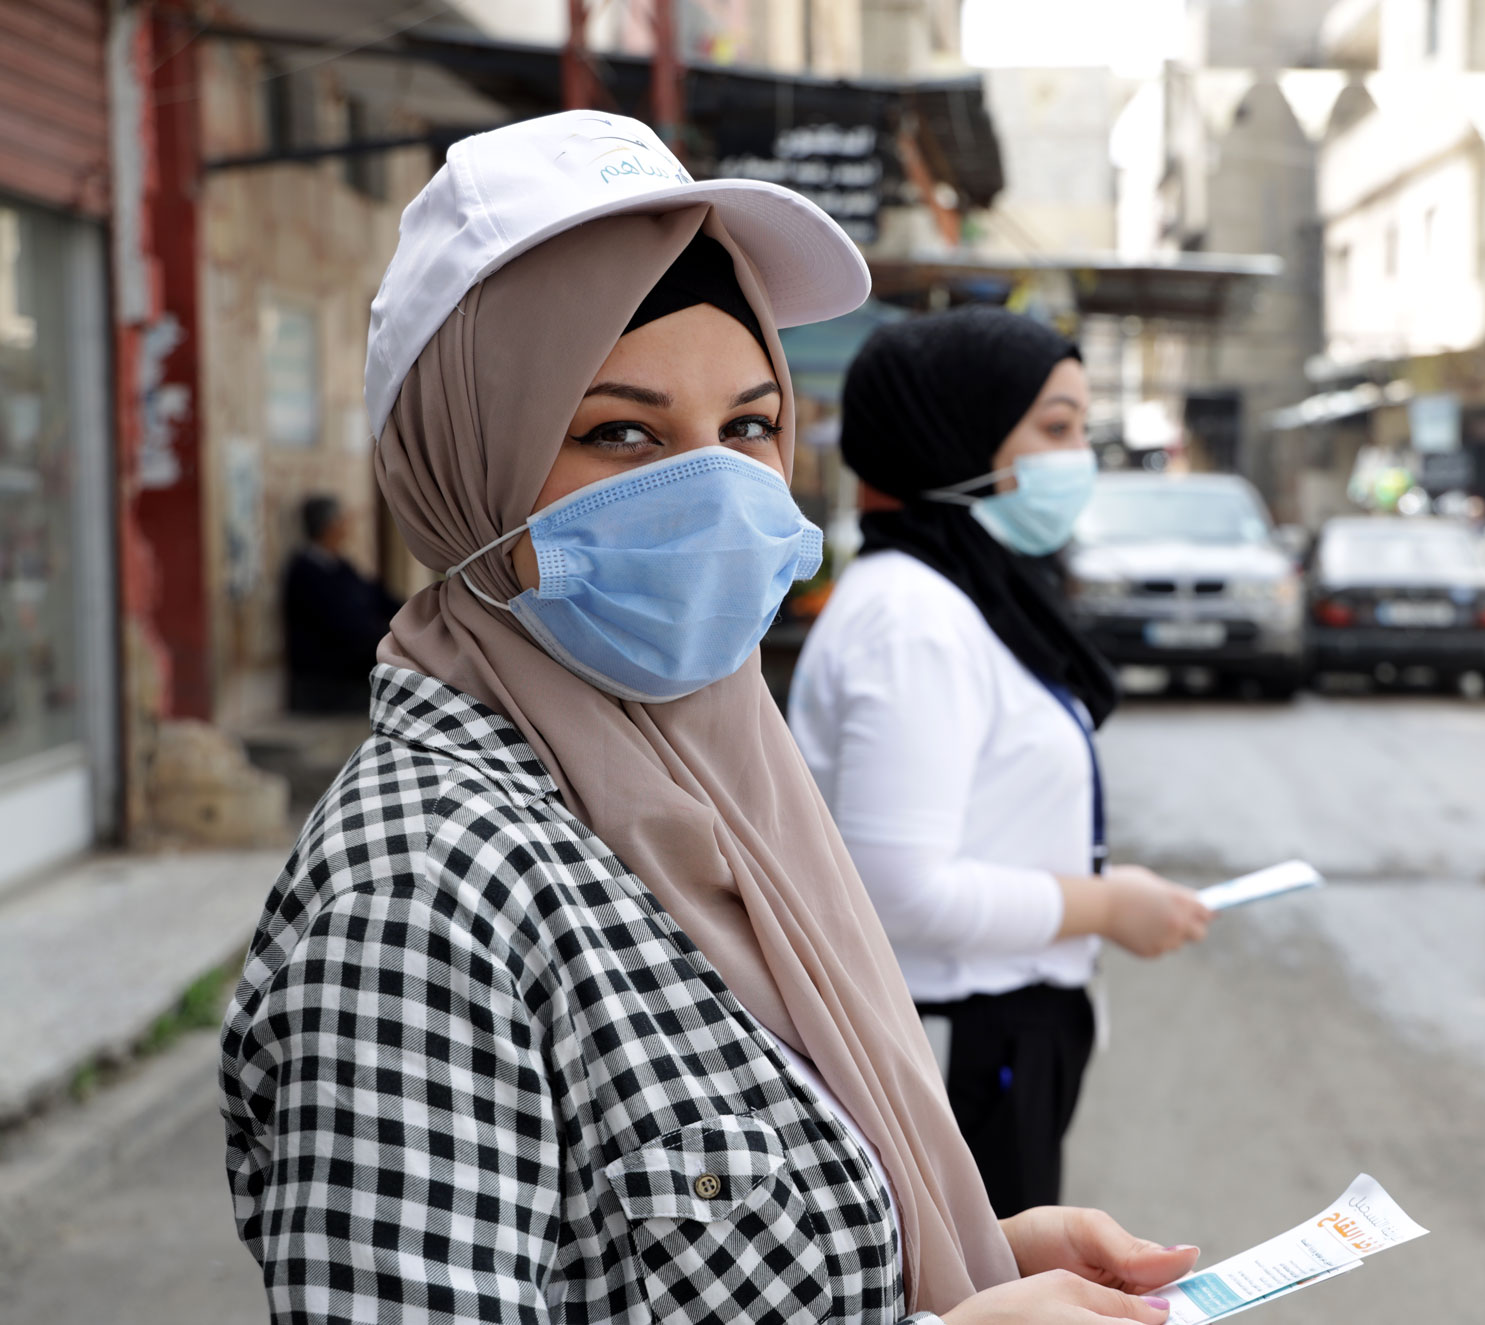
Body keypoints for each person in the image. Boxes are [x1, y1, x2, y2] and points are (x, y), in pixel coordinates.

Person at [218, 112, 1199, 1325]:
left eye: (746, 428)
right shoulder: (422, 887)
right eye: (619, 431)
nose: (717, 488)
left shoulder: (728, 783)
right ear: (466, 463)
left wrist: (970, 1247)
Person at [788, 307, 1212, 1219]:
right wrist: (1105, 903)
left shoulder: (959, 596)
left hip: (999, 1034)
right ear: (953, 431)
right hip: (957, 1046)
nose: (1076, 459)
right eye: (1053, 428)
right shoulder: (914, 621)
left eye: (1080, 430)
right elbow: (898, 889)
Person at [280, 493, 398, 713]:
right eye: (342, 521)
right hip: (327, 674)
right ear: (329, 527)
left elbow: (379, 597)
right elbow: (340, 624)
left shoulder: (341, 566)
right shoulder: (305, 572)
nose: (347, 527)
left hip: (354, 658)